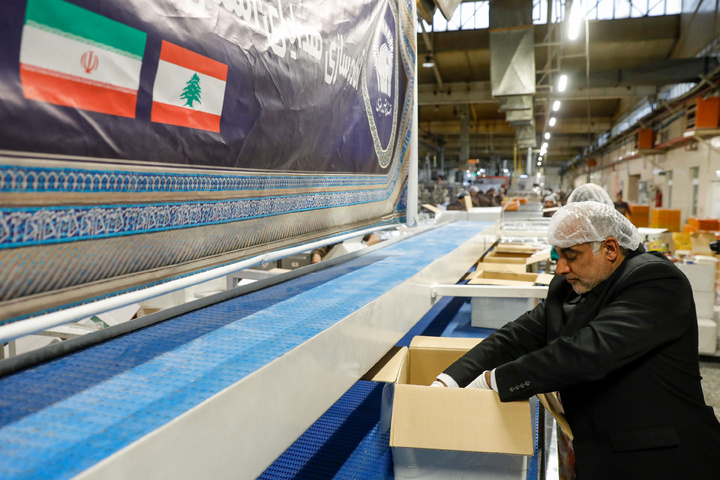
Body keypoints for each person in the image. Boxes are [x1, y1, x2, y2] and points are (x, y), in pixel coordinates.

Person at [432, 201, 720, 479]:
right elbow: (515, 336)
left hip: (660, 458)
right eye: (558, 256)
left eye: (571, 256)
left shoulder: (655, 281)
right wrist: (449, 380)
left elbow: (586, 352)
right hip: (598, 449)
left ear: (610, 248)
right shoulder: (572, 286)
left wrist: (495, 380)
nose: (561, 268)